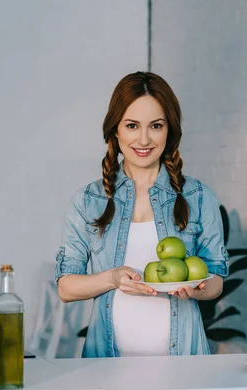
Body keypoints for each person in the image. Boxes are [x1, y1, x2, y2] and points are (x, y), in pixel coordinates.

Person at [54, 71, 229, 358]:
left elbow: (216, 282)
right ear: (115, 130)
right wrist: (112, 278)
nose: (144, 139)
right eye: (132, 125)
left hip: (184, 364)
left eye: (156, 125)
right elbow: (66, 287)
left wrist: (195, 289)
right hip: (106, 365)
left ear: (169, 130)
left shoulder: (198, 197)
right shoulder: (88, 201)